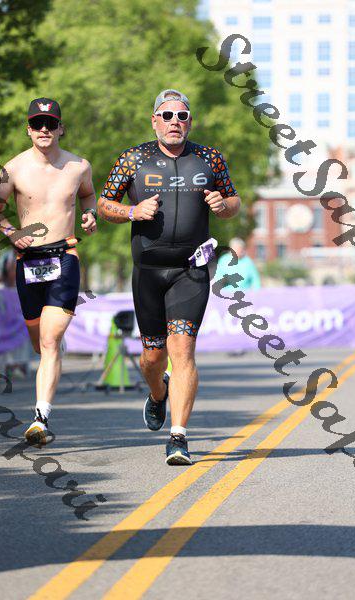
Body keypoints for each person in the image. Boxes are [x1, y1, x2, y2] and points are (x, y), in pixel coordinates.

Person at [98, 89, 241, 465]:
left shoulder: (209, 158)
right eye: (166, 115)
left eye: (181, 115)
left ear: (190, 121)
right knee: (152, 356)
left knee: (182, 349)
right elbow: (104, 204)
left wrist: (223, 205)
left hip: (191, 270)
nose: (174, 121)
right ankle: (157, 392)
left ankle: (178, 437)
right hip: (148, 272)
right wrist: (132, 212)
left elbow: (234, 202)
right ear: (154, 121)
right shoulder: (134, 158)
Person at [0, 97, 97, 445]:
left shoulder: (79, 166)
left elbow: (88, 196)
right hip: (28, 262)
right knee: (40, 343)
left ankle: (40, 419)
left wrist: (90, 213)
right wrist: (11, 232)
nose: (44, 129)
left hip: (65, 256)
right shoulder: (13, 169)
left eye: (51, 124)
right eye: (37, 124)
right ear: (29, 129)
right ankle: (50, 358)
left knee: (50, 341)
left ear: (61, 128)